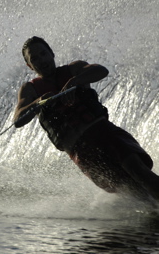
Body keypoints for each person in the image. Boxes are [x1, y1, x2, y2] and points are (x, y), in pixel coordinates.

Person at [13, 36, 159, 203]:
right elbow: (18, 120)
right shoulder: (30, 90)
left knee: (139, 171)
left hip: (107, 135)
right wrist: (38, 102)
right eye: (35, 58)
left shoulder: (74, 69)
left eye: (43, 53)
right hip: (82, 153)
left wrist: (74, 82)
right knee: (133, 191)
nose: (41, 59)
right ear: (29, 66)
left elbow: (102, 70)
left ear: (52, 54)